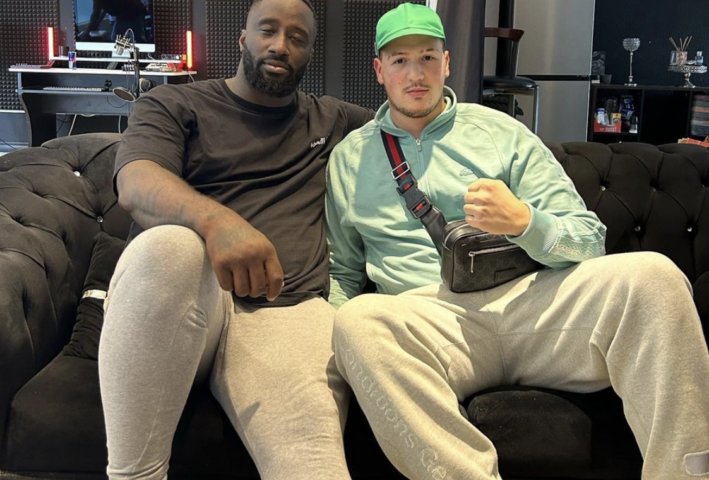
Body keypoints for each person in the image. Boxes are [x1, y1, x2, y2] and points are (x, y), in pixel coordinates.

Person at [326, 4, 709, 480]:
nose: (416, 74)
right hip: (431, 322)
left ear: (447, 63)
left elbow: (589, 241)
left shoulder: (501, 132)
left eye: (427, 57)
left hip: (532, 306)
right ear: (379, 70)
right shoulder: (349, 159)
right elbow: (342, 275)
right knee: (357, 321)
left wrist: (525, 222)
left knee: (654, 275)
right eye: (400, 60)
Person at [98, 0, 372, 479]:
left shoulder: (332, 119)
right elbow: (136, 183)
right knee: (169, 248)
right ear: (243, 38)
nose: (280, 46)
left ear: (309, 54)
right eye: (268, 30)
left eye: (297, 38)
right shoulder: (174, 104)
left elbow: (412, 118)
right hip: (187, 303)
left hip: (289, 310)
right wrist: (218, 223)